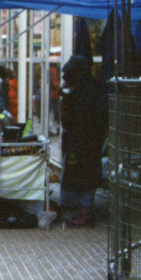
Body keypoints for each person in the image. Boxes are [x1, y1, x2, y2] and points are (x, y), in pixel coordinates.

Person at [59, 54, 104, 228]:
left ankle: (85, 214)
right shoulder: (88, 89)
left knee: (84, 178)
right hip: (86, 142)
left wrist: (75, 147)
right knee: (83, 177)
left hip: (83, 142)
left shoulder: (86, 93)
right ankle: (84, 212)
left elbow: (81, 120)